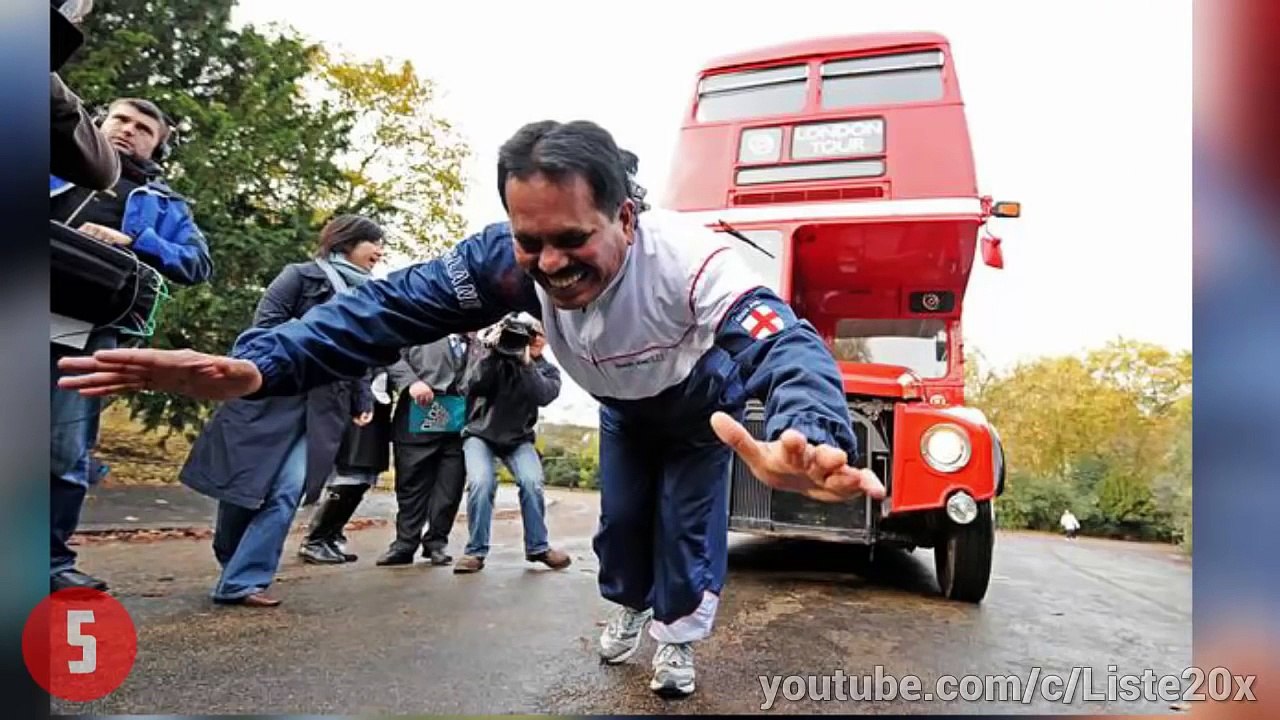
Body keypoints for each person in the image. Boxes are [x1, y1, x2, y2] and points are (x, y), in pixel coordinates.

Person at [57, 120, 886, 695]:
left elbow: (788, 345)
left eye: (572, 239)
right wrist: (256, 365)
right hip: (625, 414)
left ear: (626, 216)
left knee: (688, 529)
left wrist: (809, 433)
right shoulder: (502, 260)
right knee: (623, 529)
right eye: (531, 241)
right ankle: (630, 611)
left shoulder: (697, 263)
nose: (551, 264)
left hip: (705, 413)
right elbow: (380, 313)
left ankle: (679, 645)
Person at [49, 95, 213, 594]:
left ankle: (50, 565)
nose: (127, 130)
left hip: (83, 333)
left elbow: (196, 263)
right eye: (120, 119)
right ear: (98, 121)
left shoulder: (163, 202)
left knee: (62, 451)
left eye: (143, 128)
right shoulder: (49, 160)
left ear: (158, 145)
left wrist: (137, 241)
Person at [176, 215, 384, 607]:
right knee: (244, 487)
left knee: (289, 488)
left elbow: (362, 354)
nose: (380, 251)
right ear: (346, 243)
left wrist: (362, 398)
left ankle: (243, 580)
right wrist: (320, 335)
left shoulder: (368, 296)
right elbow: (264, 328)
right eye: (374, 242)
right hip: (272, 396)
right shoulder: (299, 277)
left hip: (324, 407)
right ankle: (232, 557)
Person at [453, 314, 569, 574]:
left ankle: (538, 547)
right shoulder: (489, 359)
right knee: (481, 484)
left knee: (532, 482)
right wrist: (493, 352)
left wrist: (529, 361)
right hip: (480, 434)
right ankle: (475, 552)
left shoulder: (546, 369)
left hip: (519, 438)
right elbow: (471, 386)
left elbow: (542, 395)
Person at [376, 333, 476, 566]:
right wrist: (411, 382)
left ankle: (437, 543)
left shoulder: (480, 339)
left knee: (449, 489)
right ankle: (404, 543)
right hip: (418, 414)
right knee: (411, 485)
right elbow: (389, 354)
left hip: (460, 422)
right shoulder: (421, 324)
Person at [298, 369, 394, 564]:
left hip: (375, 413)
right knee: (350, 476)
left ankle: (330, 537)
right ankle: (315, 540)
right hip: (357, 410)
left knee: (362, 480)